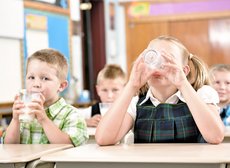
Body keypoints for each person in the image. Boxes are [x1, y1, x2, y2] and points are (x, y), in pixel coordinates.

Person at [95, 35, 224, 145]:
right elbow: (103, 139)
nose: (158, 66)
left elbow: (216, 137)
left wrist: (182, 83)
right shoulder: (136, 102)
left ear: (184, 70)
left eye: (169, 60)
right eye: (153, 58)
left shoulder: (202, 94)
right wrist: (131, 85)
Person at [3, 48, 88, 146]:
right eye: (31, 77)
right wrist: (15, 120)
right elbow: (8, 147)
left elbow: (68, 146)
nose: (36, 84)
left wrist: (43, 119)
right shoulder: (24, 113)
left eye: (45, 78)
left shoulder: (72, 115)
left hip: (52, 162)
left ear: (61, 86)